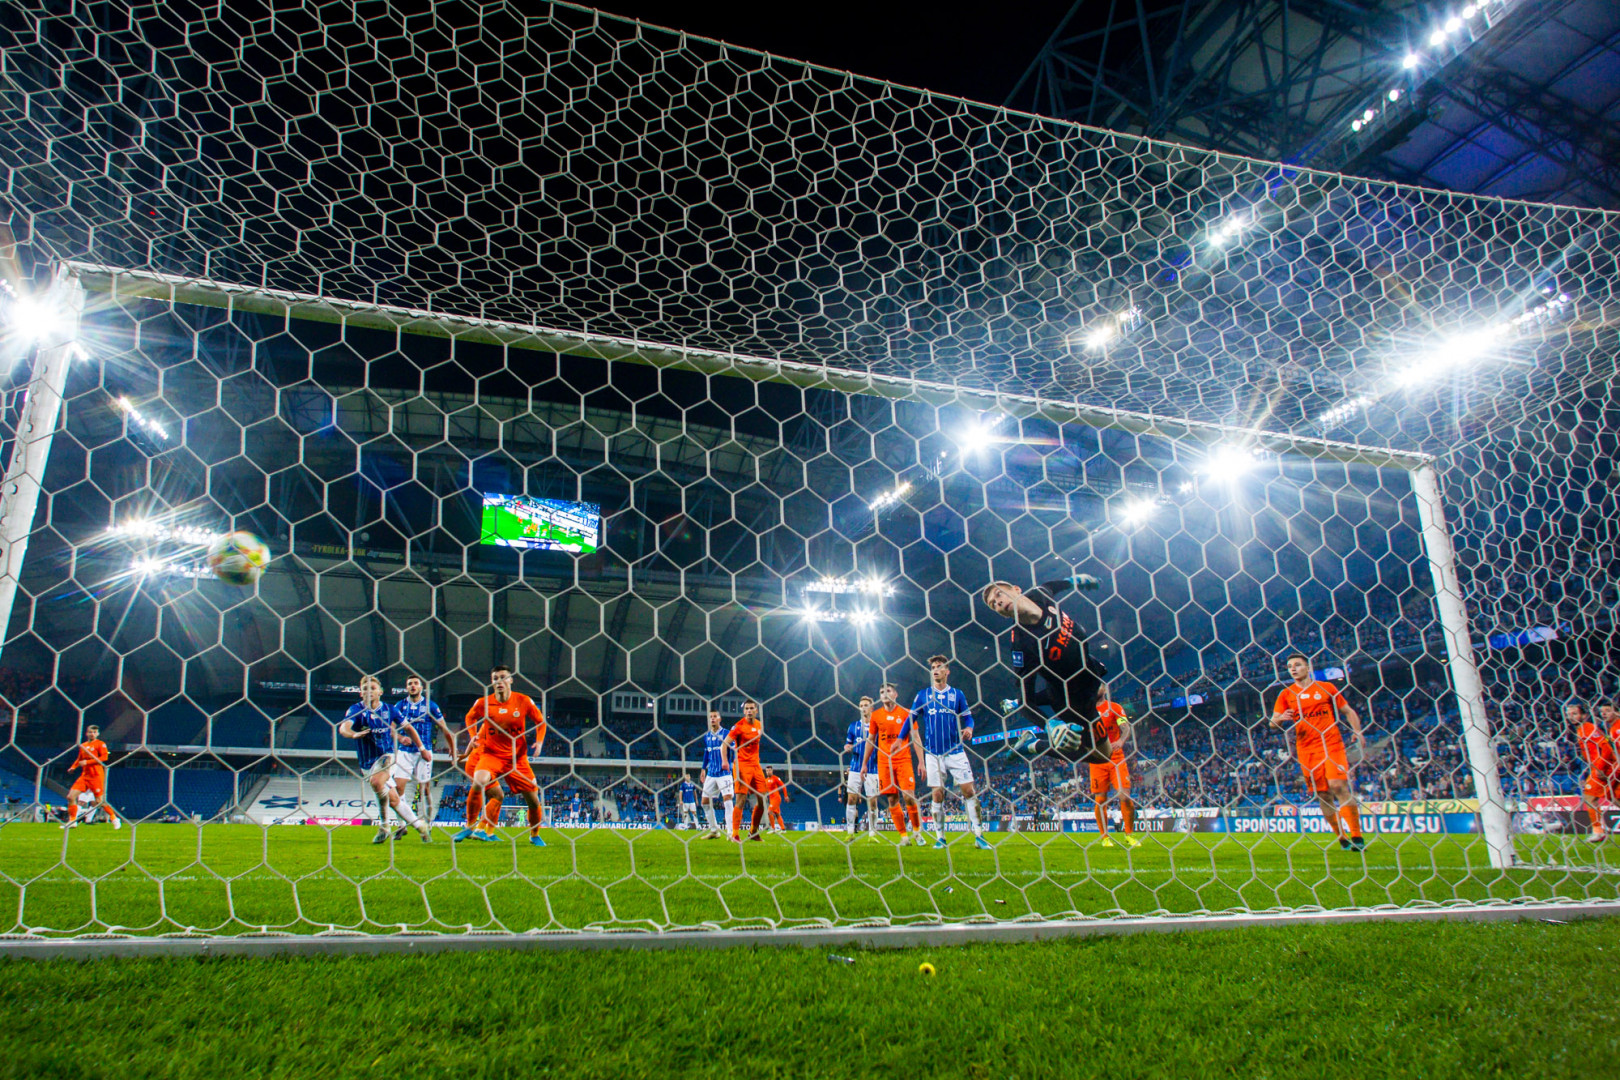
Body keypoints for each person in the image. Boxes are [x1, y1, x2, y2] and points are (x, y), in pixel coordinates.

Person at [980, 576, 1112, 763]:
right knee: (1103, 756)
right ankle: (1033, 745)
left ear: (1017, 589)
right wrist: (1050, 725)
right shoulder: (1022, 644)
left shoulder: (1039, 596)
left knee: (1100, 690)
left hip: (1089, 670)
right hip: (1073, 700)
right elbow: (1026, 702)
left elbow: (1052, 585)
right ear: (1001, 614)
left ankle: (1017, 706)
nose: (998, 603)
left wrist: (1074, 581)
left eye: (998, 594)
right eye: (993, 605)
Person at [1271, 654, 1366, 852]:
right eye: (1289, 666)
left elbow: (1348, 711)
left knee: (1338, 785)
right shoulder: (1286, 694)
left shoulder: (1326, 688)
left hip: (1331, 744)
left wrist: (1357, 731)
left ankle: (1357, 836)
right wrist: (1280, 719)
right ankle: (1341, 837)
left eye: (1297, 665)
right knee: (1323, 794)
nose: (1293, 669)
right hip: (1307, 749)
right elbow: (1272, 723)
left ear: (1308, 667)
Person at [900, 656, 990, 849]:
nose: (935, 670)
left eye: (939, 666)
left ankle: (979, 835)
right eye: (933, 667)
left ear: (947, 671)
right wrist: (900, 738)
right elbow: (910, 719)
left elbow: (968, 717)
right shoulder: (923, 695)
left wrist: (969, 728)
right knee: (937, 794)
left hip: (955, 751)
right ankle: (940, 838)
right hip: (933, 754)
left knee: (969, 791)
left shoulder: (957, 695)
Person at [460, 664, 547, 847]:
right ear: (492, 682)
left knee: (533, 801)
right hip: (492, 755)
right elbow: (469, 717)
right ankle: (470, 826)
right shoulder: (483, 703)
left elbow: (540, 722)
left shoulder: (523, 701)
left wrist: (539, 742)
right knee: (479, 781)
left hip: (517, 759)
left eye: (503, 677)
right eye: (495, 678)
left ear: (511, 680)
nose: (499, 681)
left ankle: (534, 835)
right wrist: (472, 735)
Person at [337, 676, 430, 843]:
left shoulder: (389, 710)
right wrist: (354, 734)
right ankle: (420, 826)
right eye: (365, 689)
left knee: (376, 781)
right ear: (360, 693)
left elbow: (408, 728)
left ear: (380, 692)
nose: (369, 691)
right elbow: (344, 728)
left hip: (387, 756)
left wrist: (422, 748)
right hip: (367, 762)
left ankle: (384, 826)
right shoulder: (356, 710)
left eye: (372, 688)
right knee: (393, 800)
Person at [391, 675, 454, 837]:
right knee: (398, 788)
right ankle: (401, 825)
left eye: (416, 683)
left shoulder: (430, 706)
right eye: (409, 683)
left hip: (424, 752)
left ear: (421, 687)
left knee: (425, 789)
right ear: (406, 687)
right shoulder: (400, 706)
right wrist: (400, 737)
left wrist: (452, 748)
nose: (413, 686)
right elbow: (390, 728)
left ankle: (427, 823)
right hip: (405, 752)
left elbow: (444, 728)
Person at [867, 683, 926, 845]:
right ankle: (904, 837)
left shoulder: (907, 713)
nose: (884, 694)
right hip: (884, 762)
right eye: (881, 692)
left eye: (888, 691)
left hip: (903, 760)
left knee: (909, 796)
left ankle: (917, 832)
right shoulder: (876, 716)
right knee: (892, 800)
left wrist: (921, 762)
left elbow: (916, 737)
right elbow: (871, 740)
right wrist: (864, 763)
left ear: (895, 694)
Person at [1091, 685, 1139, 848]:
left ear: (1104, 689)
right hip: (1097, 758)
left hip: (1116, 758)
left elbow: (1125, 727)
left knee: (1124, 797)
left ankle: (1129, 835)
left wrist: (1121, 740)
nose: (1096, 688)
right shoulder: (1087, 711)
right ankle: (1105, 837)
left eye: (1098, 685)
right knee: (1100, 800)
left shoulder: (1114, 708)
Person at [722, 699, 768, 841]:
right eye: (746, 708)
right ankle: (735, 834)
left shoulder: (759, 725)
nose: (749, 711)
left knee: (762, 800)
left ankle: (753, 831)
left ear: (756, 710)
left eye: (751, 708)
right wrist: (725, 761)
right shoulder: (738, 726)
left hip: (756, 766)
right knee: (741, 799)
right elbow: (724, 744)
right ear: (744, 711)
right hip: (742, 765)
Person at [62, 725, 120, 830]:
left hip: (96, 776)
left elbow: (104, 757)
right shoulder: (83, 745)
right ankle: (72, 821)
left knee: (99, 801)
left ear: (97, 734)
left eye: (94, 732)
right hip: (85, 776)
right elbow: (79, 759)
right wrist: (73, 767)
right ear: (86, 733)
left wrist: (87, 762)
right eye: (90, 732)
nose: (92, 734)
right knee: (70, 797)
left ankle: (114, 818)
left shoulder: (100, 744)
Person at [1573, 702, 1614, 844]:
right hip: (1600, 767)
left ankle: (1598, 831)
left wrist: (1600, 768)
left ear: (1584, 715)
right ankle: (1599, 831)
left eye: (1575, 714)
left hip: (1603, 768)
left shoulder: (1588, 728)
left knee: (1590, 798)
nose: (1571, 717)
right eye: (1569, 714)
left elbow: (1606, 748)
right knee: (1615, 799)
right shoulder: (1581, 729)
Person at [842, 696, 881, 842]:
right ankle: (850, 832)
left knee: (872, 802)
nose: (863, 708)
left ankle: (872, 834)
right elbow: (848, 743)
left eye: (865, 705)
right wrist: (847, 747)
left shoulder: (877, 727)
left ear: (871, 708)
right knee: (851, 798)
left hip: (872, 768)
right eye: (861, 705)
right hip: (855, 768)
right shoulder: (853, 726)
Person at [698, 711, 733, 839]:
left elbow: (733, 750)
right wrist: (703, 769)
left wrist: (732, 764)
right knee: (704, 802)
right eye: (710, 717)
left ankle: (731, 832)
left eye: (715, 716)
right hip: (711, 773)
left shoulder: (727, 733)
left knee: (727, 799)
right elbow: (706, 753)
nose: (712, 719)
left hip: (724, 773)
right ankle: (714, 830)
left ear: (720, 719)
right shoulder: (707, 736)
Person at [762, 765, 789, 833]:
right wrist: (765, 796)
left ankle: (773, 828)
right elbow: (765, 790)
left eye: (769, 770)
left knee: (769, 812)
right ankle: (783, 829)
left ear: (772, 771)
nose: (768, 772)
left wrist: (786, 796)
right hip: (771, 799)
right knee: (777, 814)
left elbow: (783, 786)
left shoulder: (775, 778)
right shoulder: (766, 780)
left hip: (776, 798)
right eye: (767, 771)